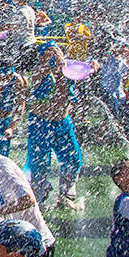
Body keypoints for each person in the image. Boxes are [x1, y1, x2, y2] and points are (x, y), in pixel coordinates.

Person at [25, 44, 84, 209]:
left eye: (56, 53)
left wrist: (61, 65)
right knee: (39, 163)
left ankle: (65, 194)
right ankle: (38, 197)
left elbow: (66, 91)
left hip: (62, 123)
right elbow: (37, 81)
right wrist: (48, 64)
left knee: (74, 159)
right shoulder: (38, 71)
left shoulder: (67, 71)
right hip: (40, 123)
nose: (52, 57)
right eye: (47, 54)